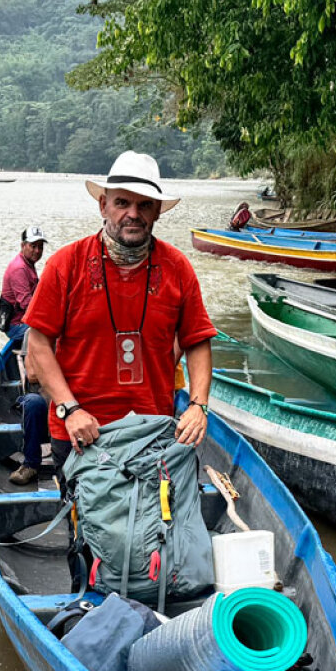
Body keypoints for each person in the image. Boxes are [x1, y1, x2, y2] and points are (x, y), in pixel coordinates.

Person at [21, 152, 216, 463]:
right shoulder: (66, 264)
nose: (133, 214)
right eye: (122, 203)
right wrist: (70, 408)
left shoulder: (177, 268)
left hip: (151, 431)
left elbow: (197, 341)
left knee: (156, 511)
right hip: (80, 432)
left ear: (158, 213)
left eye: (145, 205)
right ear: (103, 205)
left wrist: (198, 405)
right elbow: (39, 343)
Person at [0, 226, 51, 487]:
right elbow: (30, 306)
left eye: (40, 246)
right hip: (21, 325)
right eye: (33, 245)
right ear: (23, 246)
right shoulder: (20, 268)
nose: (37, 250)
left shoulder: (30, 267)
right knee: (32, 401)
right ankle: (31, 463)